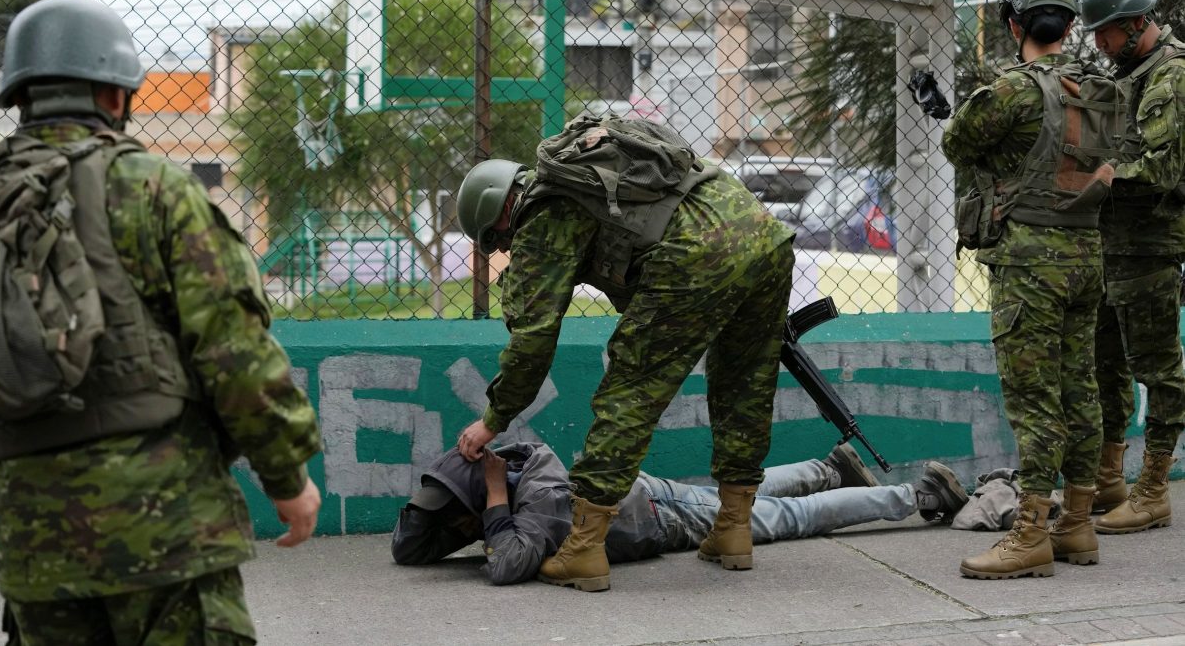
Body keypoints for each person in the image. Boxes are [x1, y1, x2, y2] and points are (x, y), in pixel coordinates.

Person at [0, 0, 323, 644]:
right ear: (116, 94)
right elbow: (234, 351)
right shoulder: (152, 187)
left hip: (34, 547)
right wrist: (286, 476)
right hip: (168, 532)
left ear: (18, 95)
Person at [454, 115, 795, 590]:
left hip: (694, 254)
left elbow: (533, 338)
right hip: (764, 237)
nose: (507, 248)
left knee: (630, 394)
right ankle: (734, 529)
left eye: (499, 239)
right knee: (745, 383)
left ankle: (584, 548)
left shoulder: (545, 211)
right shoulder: (586, 177)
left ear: (498, 213)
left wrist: (494, 419)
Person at [941, 0, 1117, 579]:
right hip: (1085, 255)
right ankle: (1077, 523)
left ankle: (1031, 533)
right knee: (1081, 389)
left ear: (1015, 25)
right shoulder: (1100, 89)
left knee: (1035, 398)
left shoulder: (1013, 90)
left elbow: (958, 144)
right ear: (1069, 24)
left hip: (1029, 265)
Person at [392, 442, 969, 586]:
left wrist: (492, 499)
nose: (459, 527)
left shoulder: (536, 498)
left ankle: (918, 496)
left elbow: (505, 565)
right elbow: (409, 548)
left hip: (655, 515)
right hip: (646, 496)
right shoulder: (513, 479)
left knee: (783, 519)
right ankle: (828, 467)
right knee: (736, 497)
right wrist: (441, 503)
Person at [1077, 0, 1185, 535]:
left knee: (1158, 368)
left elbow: (1163, 169)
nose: (1099, 43)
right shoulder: (1130, 72)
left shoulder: (1171, 75)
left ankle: (1154, 489)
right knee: (1105, 363)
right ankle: (1109, 474)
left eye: (1106, 31)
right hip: (1111, 244)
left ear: (1137, 20)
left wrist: (1103, 176)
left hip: (1148, 247)